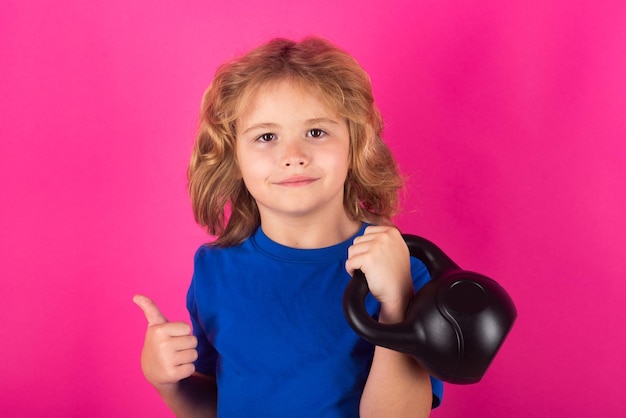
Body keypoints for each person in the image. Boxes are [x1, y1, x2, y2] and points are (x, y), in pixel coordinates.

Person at [134, 36, 443, 417]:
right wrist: (167, 383)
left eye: (316, 132)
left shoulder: (404, 269)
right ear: (235, 158)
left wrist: (396, 303)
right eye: (266, 137)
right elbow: (222, 404)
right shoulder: (214, 269)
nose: (293, 156)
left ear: (355, 143)